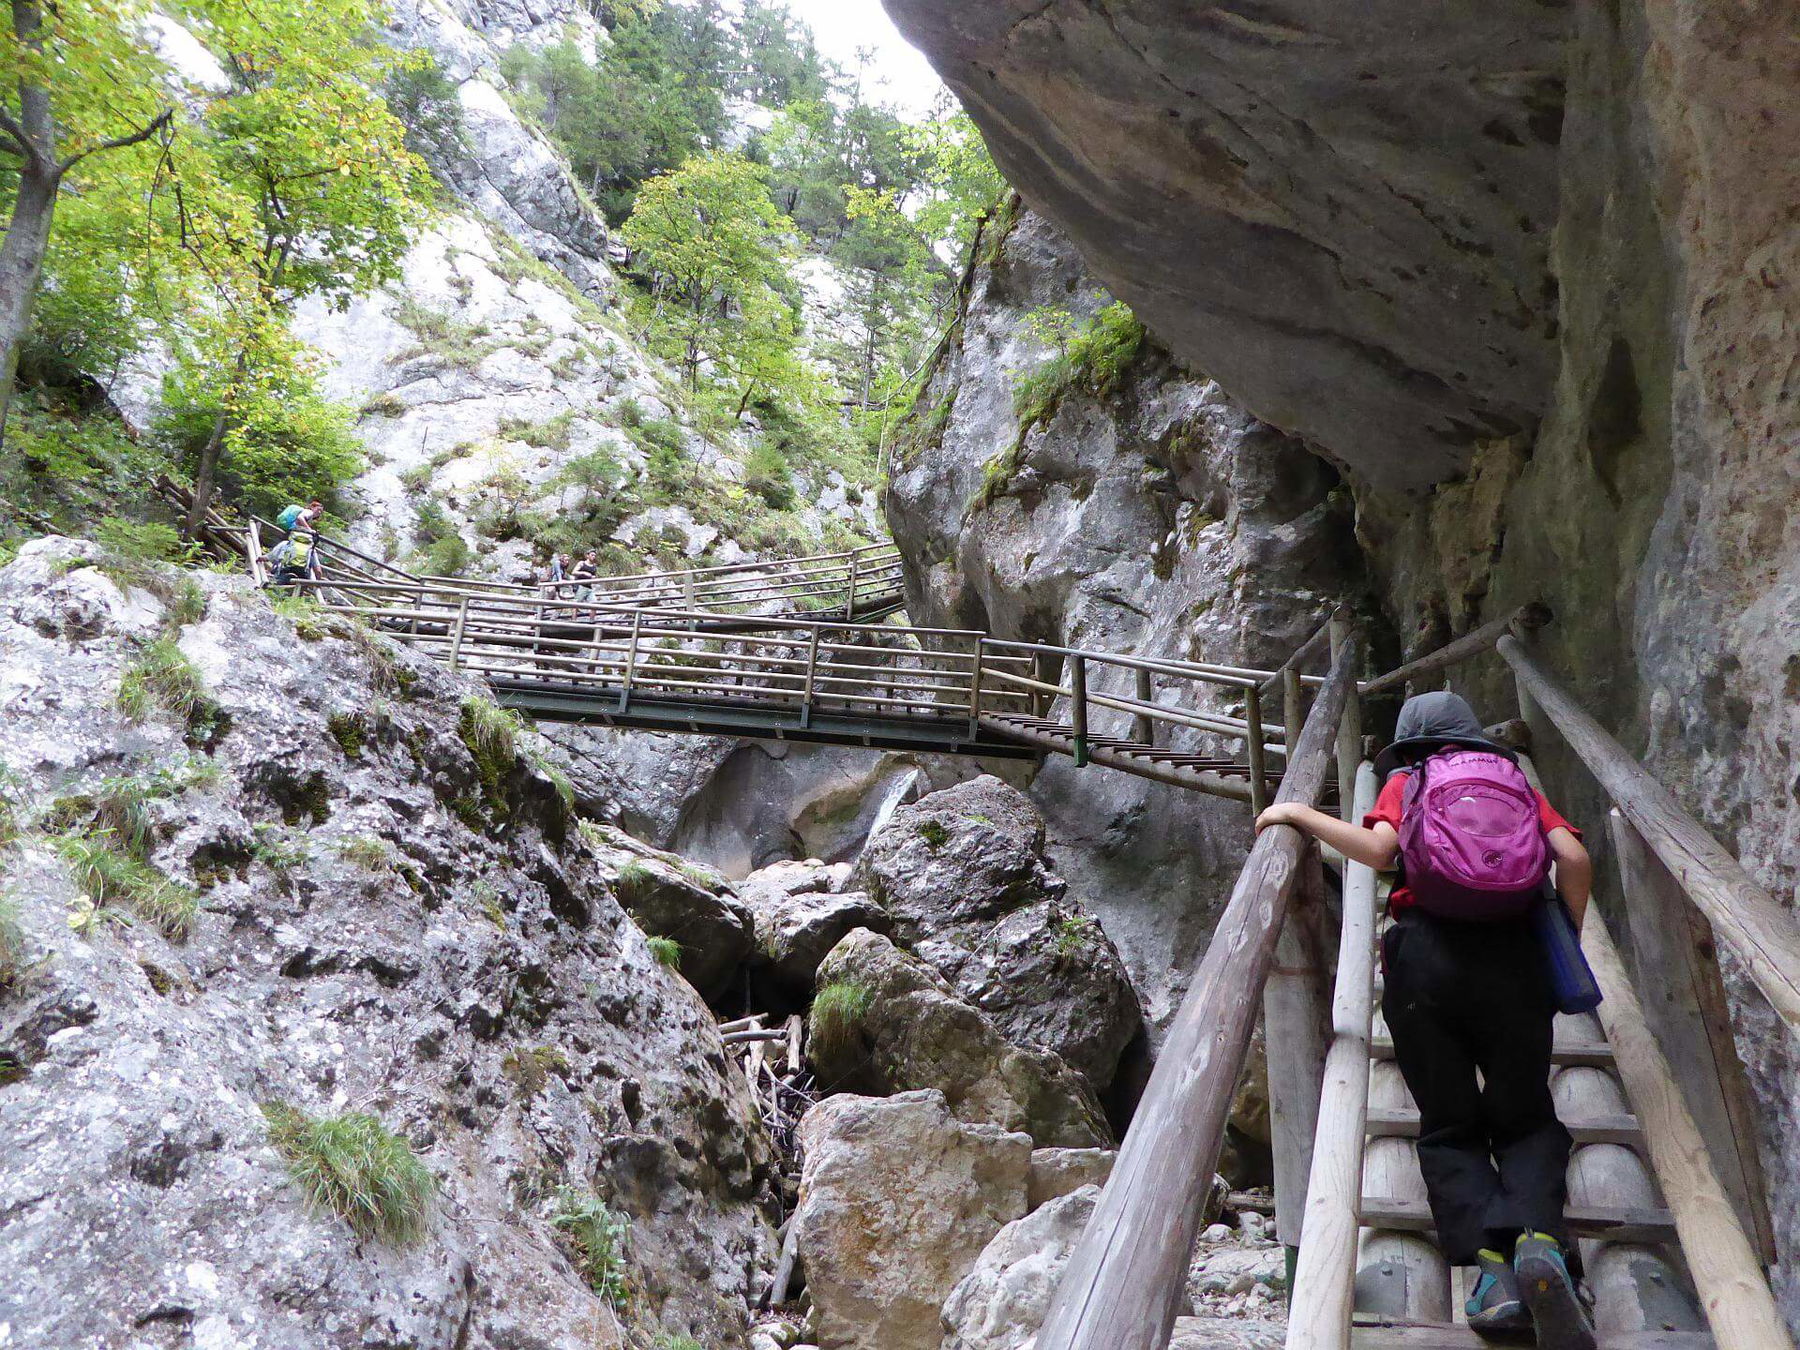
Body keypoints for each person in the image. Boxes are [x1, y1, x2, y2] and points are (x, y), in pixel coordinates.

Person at [1256, 691, 1596, 1350]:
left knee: (1448, 1124)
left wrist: (1299, 812)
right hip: (1518, 956)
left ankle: (1494, 1274)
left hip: (1426, 962)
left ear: (1410, 745)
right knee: (1525, 1115)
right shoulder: (1514, 779)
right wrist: (1567, 945)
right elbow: (1575, 861)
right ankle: (1539, 1242)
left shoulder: (1409, 779)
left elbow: (1380, 852)